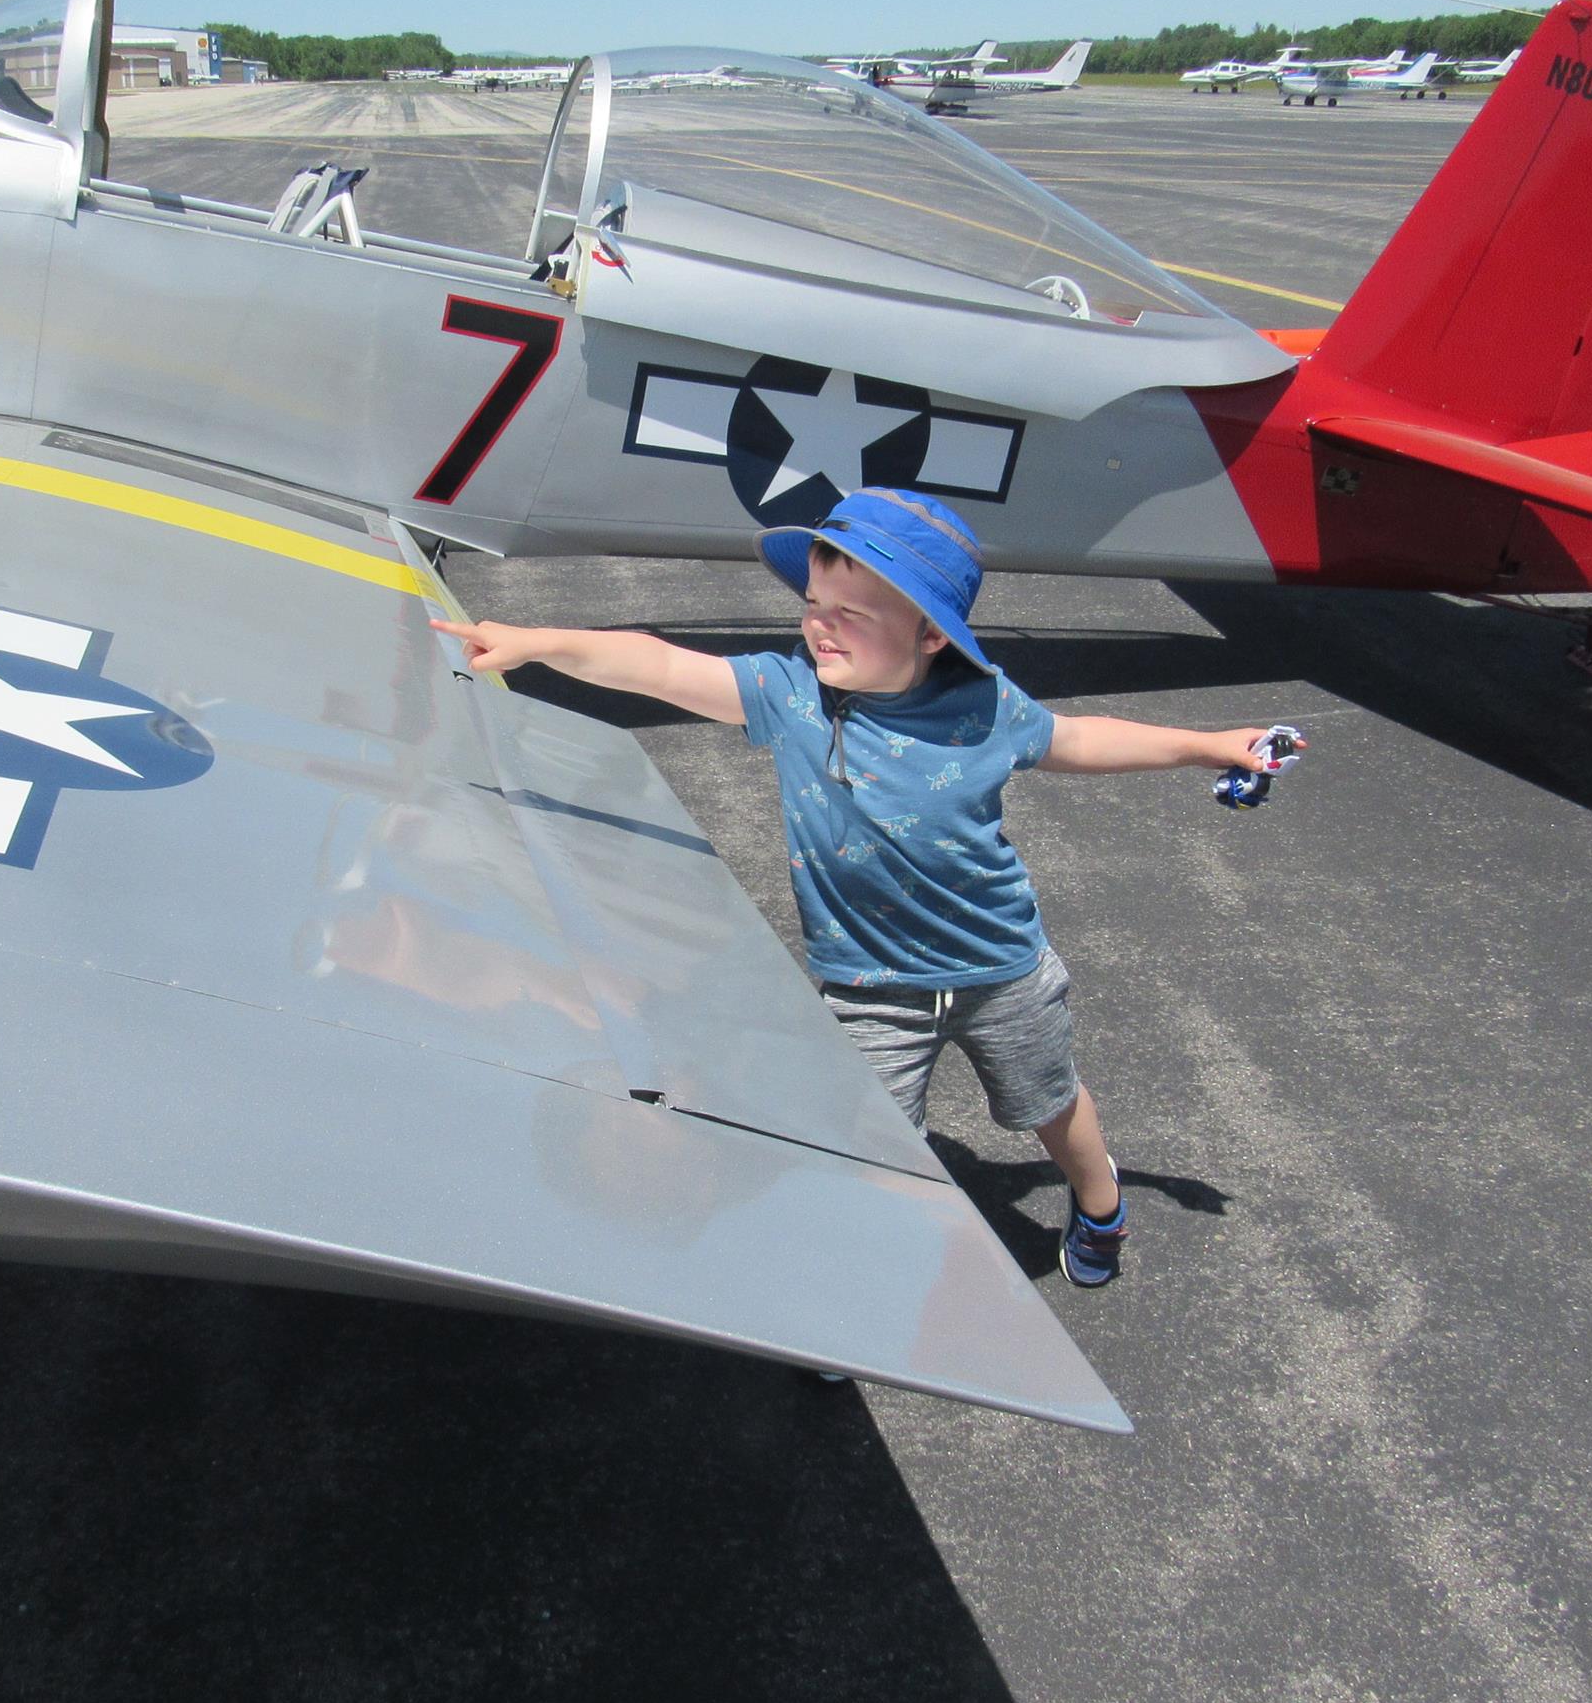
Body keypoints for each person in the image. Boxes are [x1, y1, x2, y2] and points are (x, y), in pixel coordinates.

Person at [430, 486, 1291, 1289]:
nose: (820, 628)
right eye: (812, 605)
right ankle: (863, 1290)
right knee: (870, 1143)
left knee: (1049, 1103)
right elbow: (657, 666)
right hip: (868, 989)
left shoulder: (985, 709)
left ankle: (1101, 1206)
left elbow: (1081, 739)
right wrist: (541, 643)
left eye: (852, 615)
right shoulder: (789, 695)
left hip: (1000, 969)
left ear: (930, 635)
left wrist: (1209, 743)